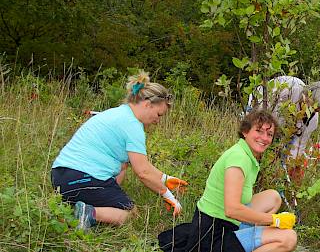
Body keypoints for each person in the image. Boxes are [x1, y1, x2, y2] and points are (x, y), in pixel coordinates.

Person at [51, 71, 186, 230]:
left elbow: (141, 165)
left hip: (61, 177)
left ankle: (75, 210)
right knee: (132, 214)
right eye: (158, 114)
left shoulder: (118, 113)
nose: (157, 121)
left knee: (123, 166)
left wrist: (164, 178)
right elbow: (142, 172)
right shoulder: (132, 126)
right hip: (82, 178)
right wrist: (168, 196)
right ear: (147, 104)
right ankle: (88, 213)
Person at [157, 109, 297, 252]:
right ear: (245, 131)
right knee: (288, 238)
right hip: (212, 235)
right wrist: (275, 220)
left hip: (227, 223)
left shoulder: (247, 155)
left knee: (273, 197)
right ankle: (257, 240)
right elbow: (232, 210)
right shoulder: (239, 158)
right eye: (259, 131)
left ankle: (255, 240)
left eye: (269, 134)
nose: (264, 138)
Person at [253, 76, 320, 182]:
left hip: (283, 130)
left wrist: (290, 165)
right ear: (307, 94)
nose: (312, 109)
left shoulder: (313, 121)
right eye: (312, 104)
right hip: (261, 109)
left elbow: (298, 146)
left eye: (318, 109)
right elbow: (265, 114)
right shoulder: (289, 89)